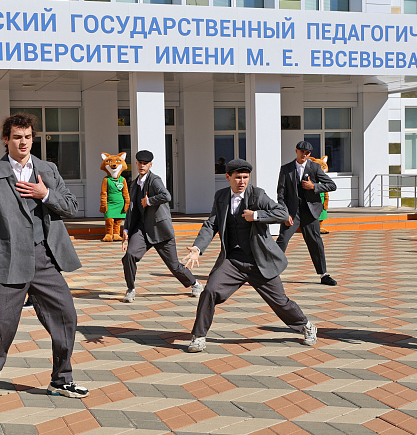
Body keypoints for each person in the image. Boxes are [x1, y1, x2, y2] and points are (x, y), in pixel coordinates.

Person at [0, 113, 89, 407]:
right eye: (17, 137)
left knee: (66, 316)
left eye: (28, 137)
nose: (23, 142)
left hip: (45, 258)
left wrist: (46, 194)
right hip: (8, 260)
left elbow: (71, 207)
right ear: (6, 139)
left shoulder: (48, 170)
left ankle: (61, 379)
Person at [183, 158, 318, 352]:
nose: (242, 181)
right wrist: (197, 248)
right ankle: (198, 336)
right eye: (238, 177)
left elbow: (282, 213)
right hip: (233, 261)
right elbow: (211, 224)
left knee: (280, 302)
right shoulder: (221, 196)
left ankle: (306, 326)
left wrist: (256, 215)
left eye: (245, 177)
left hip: (259, 261)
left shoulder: (257, 195)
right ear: (228, 177)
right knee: (210, 291)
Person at [121, 150, 203, 302]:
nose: (142, 166)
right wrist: (126, 229)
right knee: (129, 256)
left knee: (174, 265)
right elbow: (131, 209)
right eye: (140, 163)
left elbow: (166, 195)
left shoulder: (155, 180)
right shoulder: (134, 184)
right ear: (136, 163)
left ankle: (195, 284)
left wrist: (148, 201)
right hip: (142, 229)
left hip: (160, 230)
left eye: (145, 164)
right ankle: (130, 289)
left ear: (150, 165)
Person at [276, 141, 338, 286]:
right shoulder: (286, 169)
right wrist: (285, 214)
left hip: (310, 212)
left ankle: (323, 275)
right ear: (296, 151)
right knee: (282, 240)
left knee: (315, 242)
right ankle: (269, 272)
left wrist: (313, 186)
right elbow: (281, 194)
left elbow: (332, 185)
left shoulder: (315, 167)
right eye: (302, 151)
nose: (304, 155)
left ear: (309, 154)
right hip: (292, 213)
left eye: (307, 153)